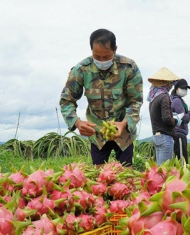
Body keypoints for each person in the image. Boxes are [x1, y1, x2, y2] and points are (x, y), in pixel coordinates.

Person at [59, 29, 143, 168]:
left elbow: (135, 101)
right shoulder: (81, 70)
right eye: (97, 56)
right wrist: (77, 122)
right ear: (91, 50)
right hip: (97, 132)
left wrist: (124, 124)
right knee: (99, 178)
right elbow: (66, 101)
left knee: (126, 176)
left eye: (106, 56)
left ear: (115, 50)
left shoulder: (129, 68)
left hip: (123, 132)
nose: (102, 61)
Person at [147, 67, 181, 166]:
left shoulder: (153, 98)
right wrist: (176, 121)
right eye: (170, 82)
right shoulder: (164, 96)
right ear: (165, 83)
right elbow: (166, 118)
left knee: (159, 168)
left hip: (156, 135)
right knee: (164, 170)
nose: (171, 85)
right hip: (165, 136)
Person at [171, 79, 190, 163]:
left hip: (179, 133)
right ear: (176, 89)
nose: (184, 90)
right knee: (182, 162)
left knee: (181, 160)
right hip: (179, 133)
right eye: (182, 88)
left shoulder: (177, 99)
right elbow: (184, 118)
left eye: (186, 89)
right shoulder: (177, 101)